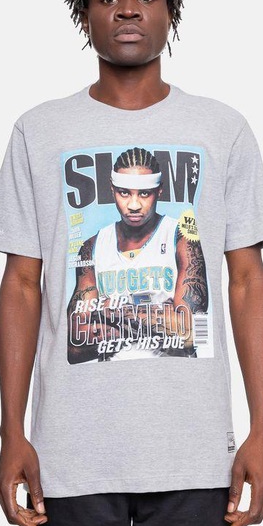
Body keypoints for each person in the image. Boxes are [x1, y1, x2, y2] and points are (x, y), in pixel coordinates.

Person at [0, 0, 263, 526]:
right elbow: (22, 286)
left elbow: (247, 282)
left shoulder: (220, 129)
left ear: (170, 10)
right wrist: (11, 433)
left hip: (194, 457)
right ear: (85, 14)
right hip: (69, 458)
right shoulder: (40, 131)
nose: (128, 9)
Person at [67, 146, 209, 363]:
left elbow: (192, 332)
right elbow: (72, 345)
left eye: (144, 193)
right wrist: (160, 318)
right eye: (124, 193)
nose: (134, 205)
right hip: (109, 380)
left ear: (159, 190)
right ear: (112, 189)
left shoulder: (181, 237)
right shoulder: (93, 246)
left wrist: (110, 312)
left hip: (174, 377)